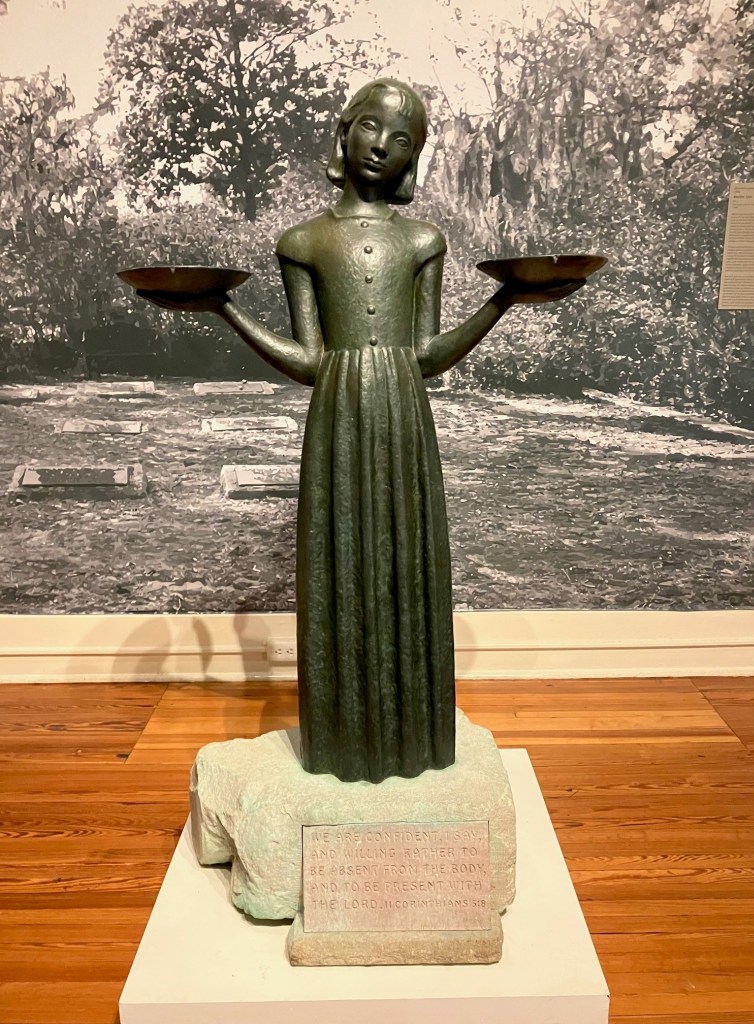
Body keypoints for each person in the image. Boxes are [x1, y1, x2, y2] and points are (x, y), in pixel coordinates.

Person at [139, 79, 583, 783]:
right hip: (338, 411)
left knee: (409, 559)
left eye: (402, 137)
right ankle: (343, 739)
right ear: (344, 132)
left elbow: (427, 355)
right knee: (339, 559)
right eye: (371, 126)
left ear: (414, 156)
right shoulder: (303, 241)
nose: (382, 145)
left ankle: (416, 739)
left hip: (404, 409)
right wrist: (226, 310)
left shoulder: (423, 241)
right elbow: (310, 360)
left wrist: (503, 299)